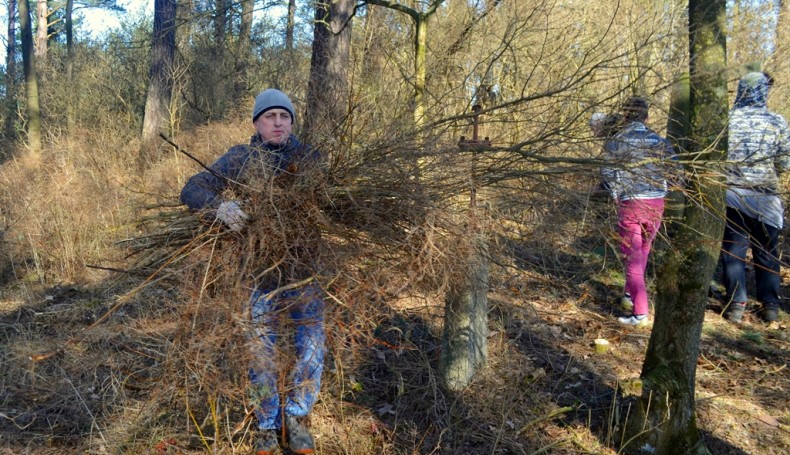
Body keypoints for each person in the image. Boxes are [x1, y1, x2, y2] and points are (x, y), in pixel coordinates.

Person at [180, 88, 324, 455]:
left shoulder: (308, 158)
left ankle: (295, 419)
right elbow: (192, 188)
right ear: (257, 123)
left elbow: (337, 196)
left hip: (304, 271)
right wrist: (218, 207)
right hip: (259, 273)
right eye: (270, 117)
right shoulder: (241, 158)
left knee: (310, 349)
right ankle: (265, 423)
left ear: (292, 122)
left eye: (285, 117)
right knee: (259, 352)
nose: (278, 123)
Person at [721, 72, 790, 323]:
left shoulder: (727, 119)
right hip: (766, 197)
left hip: (733, 194)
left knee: (734, 250)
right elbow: (785, 160)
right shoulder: (777, 122)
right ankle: (770, 305)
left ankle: (736, 304)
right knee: (767, 252)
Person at [601, 96, 676, 326]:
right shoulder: (659, 141)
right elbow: (675, 170)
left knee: (633, 258)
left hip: (630, 203)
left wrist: (615, 193)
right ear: (646, 116)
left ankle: (640, 312)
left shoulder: (617, 141)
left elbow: (607, 172)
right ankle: (628, 295)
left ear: (625, 116)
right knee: (642, 251)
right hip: (656, 204)